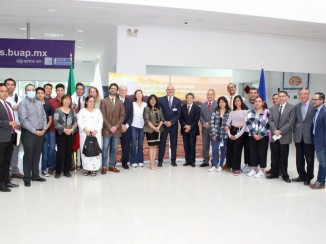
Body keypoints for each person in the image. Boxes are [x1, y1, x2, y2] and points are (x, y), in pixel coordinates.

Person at [18, 84, 47, 187]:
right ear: (26, 92)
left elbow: (44, 117)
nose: (31, 91)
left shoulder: (39, 103)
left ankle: (35, 175)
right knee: (28, 155)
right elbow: (23, 120)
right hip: (29, 133)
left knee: (36, 154)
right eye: (28, 90)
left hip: (40, 133)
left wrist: (44, 129)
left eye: (32, 90)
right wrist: (34, 131)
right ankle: (27, 177)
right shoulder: (23, 103)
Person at [267, 91, 295, 183]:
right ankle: (274, 173)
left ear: (286, 97)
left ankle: (285, 175)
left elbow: (290, 122)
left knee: (284, 157)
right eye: (279, 96)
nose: (281, 98)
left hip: (284, 136)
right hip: (274, 136)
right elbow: (270, 120)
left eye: (283, 96)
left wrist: (280, 131)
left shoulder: (292, 108)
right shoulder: (272, 108)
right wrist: (275, 130)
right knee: (274, 156)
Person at [100, 83, 125, 174]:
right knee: (105, 148)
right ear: (109, 90)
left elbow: (122, 116)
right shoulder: (103, 101)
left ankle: (111, 166)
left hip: (117, 130)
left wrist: (116, 126)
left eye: (115, 88)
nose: (113, 90)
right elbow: (102, 116)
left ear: (117, 91)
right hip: (107, 130)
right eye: (112, 88)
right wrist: (110, 127)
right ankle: (104, 166)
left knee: (114, 148)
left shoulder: (120, 102)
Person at [292, 88, 315, 185]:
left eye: (305, 94)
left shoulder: (314, 106)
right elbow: (295, 121)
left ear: (309, 94)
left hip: (309, 136)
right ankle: (301, 175)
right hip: (298, 136)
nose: (303, 96)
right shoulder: (297, 106)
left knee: (309, 158)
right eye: (301, 94)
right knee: (299, 158)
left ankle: (309, 177)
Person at [244, 96, 270, 178]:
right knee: (253, 152)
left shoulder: (267, 112)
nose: (257, 103)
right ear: (254, 103)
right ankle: (253, 169)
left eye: (259, 101)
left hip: (263, 137)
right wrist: (254, 134)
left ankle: (261, 170)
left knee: (262, 153)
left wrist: (261, 135)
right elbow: (248, 123)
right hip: (252, 136)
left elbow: (268, 124)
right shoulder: (250, 112)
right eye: (256, 101)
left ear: (263, 103)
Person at [53, 94, 78, 178]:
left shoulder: (72, 111)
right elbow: (56, 122)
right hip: (61, 134)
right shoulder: (58, 110)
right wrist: (64, 130)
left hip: (70, 134)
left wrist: (71, 130)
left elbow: (75, 122)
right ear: (62, 100)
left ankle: (66, 170)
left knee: (68, 153)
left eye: (69, 100)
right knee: (60, 153)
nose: (67, 101)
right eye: (65, 99)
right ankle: (58, 171)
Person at [78, 96, 103, 176]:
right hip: (85, 134)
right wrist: (85, 130)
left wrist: (95, 130)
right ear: (86, 102)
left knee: (95, 150)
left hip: (96, 134)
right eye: (90, 101)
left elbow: (100, 122)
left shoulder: (98, 111)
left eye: (93, 101)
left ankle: (94, 168)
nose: (92, 103)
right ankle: (86, 168)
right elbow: (80, 121)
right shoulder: (82, 111)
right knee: (86, 150)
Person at [4, 78, 24, 179]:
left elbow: (22, 114)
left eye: (12, 85)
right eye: (8, 84)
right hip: (5, 130)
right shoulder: (2, 99)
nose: (10, 86)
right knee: (5, 151)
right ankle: (6, 172)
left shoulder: (19, 98)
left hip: (16, 129)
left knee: (15, 149)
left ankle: (15, 170)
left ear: (15, 87)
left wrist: (19, 124)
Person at [0, 83, 18, 192]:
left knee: (7, 161)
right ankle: (1, 184)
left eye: (6, 91)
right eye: (2, 91)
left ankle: (7, 181)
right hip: (1, 138)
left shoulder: (8, 104)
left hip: (10, 136)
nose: (4, 93)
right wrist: (9, 123)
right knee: (0, 162)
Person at [158, 85, 181, 167]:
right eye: (169, 89)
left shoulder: (178, 101)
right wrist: (164, 121)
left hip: (173, 125)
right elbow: (159, 112)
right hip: (163, 125)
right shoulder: (161, 100)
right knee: (162, 143)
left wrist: (171, 122)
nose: (170, 91)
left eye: (172, 89)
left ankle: (173, 160)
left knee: (174, 143)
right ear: (166, 90)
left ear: (174, 90)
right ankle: (160, 160)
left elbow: (178, 114)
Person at [225, 95, 247, 176]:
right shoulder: (232, 112)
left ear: (241, 102)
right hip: (232, 131)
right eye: (235, 101)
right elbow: (228, 124)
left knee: (237, 151)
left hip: (240, 132)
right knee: (230, 150)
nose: (237, 102)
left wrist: (237, 136)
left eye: (238, 100)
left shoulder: (245, 112)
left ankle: (237, 169)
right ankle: (232, 168)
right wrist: (229, 134)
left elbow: (245, 126)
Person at [209, 96, 230, 172]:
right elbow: (211, 122)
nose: (221, 104)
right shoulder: (215, 111)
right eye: (220, 102)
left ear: (226, 103)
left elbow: (231, 122)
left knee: (223, 150)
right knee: (214, 149)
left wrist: (228, 126)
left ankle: (221, 165)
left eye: (223, 102)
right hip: (216, 135)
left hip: (224, 136)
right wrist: (214, 134)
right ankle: (214, 165)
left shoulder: (229, 112)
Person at [180, 93, 201, 167]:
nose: (189, 99)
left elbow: (196, 119)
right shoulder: (182, 107)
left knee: (192, 146)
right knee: (186, 146)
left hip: (193, 130)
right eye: (188, 98)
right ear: (186, 99)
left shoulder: (197, 107)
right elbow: (181, 118)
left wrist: (190, 126)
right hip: (184, 130)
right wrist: (185, 126)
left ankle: (192, 161)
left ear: (193, 99)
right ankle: (187, 161)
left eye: (191, 97)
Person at [143, 95, 164, 170]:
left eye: (154, 99)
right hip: (150, 130)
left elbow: (162, 119)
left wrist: (158, 127)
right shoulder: (146, 109)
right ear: (149, 101)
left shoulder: (159, 109)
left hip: (158, 130)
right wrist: (154, 128)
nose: (152, 101)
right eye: (151, 99)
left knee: (155, 146)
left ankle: (153, 162)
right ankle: (151, 163)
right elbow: (147, 120)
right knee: (151, 146)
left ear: (156, 101)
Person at [36, 87, 53, 177]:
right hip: (34, 132)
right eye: (38, 93)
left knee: (45, 151)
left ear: (44, 94)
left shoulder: (48, 105)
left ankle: (43, 169)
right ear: (36, 94)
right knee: (35, 152)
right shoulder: (32, 105)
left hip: (45, 132)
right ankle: (34, 170)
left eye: (41, 93)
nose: (40, 95)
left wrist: (44, 129)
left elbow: (50, 119)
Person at [48, 84, 65, 174]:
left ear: (64, 91)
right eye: (58, 90)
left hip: (63, 130)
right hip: (52, 129)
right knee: (51, 148)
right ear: (56, 91)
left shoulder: (67, 101)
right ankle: (51, 166)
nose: (60, 92)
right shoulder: (51, 101)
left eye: (61, 90)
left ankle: (61, 166)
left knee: (62, 149)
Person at [310, 92, 326, 190]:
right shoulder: (316, 111)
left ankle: (320, 182)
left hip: (322, 142)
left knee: (322, 163)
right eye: (313, 99)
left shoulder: (324, 112)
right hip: (317, 140)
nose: (314, 101)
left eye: (316, 99)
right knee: (322, 162)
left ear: (322, 100)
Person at [199, 89, 217, 167]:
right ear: (207, 95)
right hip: (205, 129)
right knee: (205, 145)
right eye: (208, 94)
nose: (210, 96)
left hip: (213, 129)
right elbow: (200, 116)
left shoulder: (217, 105)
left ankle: (214, 161)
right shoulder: (203, 105)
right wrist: (203, 123)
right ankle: (205, 161)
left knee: (214, 146)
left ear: (214, 95)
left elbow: (217, 116)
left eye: (211, 94)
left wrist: (209, 123)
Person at [130, 89, 146, 168]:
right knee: (133, 144)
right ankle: (133, 161)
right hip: (133, 126)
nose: (139, 95)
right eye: (137, 94)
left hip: (142, 127)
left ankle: (140, 160)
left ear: (142, 95)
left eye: (140, 93)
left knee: (140, 144)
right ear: (135, 96)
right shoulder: (132, 104)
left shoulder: (145, 104)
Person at [119, 85, 133, 169]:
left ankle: (125, 162)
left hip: (126, 128)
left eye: (125, 90)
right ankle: (112, 163)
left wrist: (126, 125)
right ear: (119, 91)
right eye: (121, 90)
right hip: (116, 127)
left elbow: (131, 115)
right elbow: (113, 115)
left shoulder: (130, 102)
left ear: (126, 92)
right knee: (113, 146)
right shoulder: (115, 101)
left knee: (126, 146)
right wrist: (120, 125)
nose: (123, 91)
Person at [266, 93, 280, 175]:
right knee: (273, 152)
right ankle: (273, 168)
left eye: (276, 98)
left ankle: (281, 169)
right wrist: (274, 130)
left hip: (282, 134)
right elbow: (269, 121)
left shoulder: (285, 109)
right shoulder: (270, 109)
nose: (275, 100)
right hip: (273, 134)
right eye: (273, 99)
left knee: (281, 153)